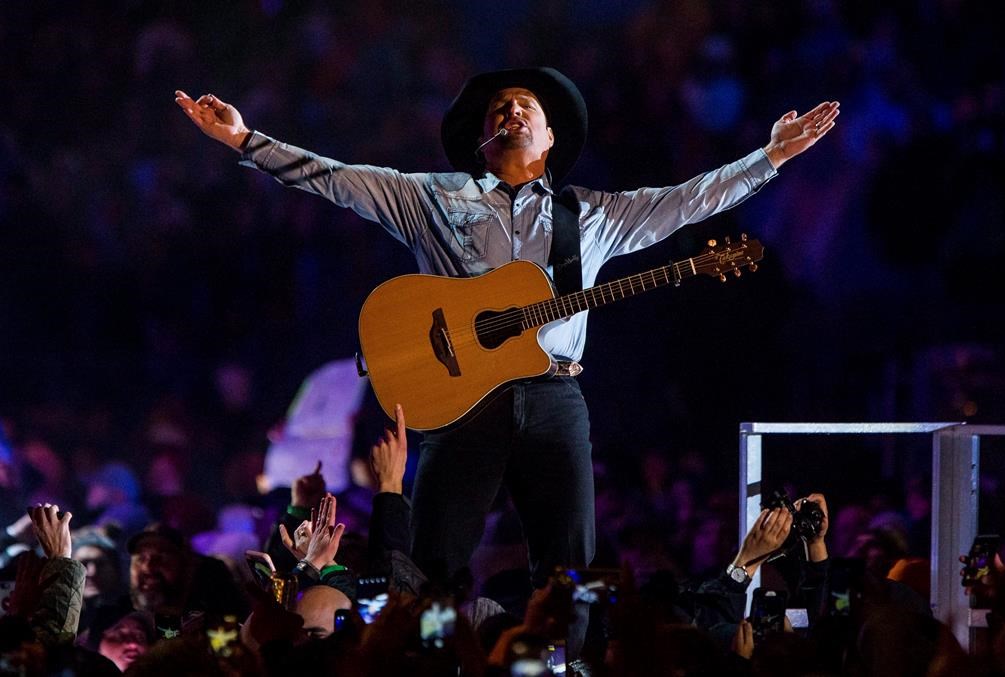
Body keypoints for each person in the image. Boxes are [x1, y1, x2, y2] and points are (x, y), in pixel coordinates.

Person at [175, 67, 838, 649]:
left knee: (571, 567)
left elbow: (688, 200)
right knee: (432, 566)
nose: (512, 110)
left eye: (526, 106)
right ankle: (429, 662)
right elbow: (336, 180)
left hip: (554, 395)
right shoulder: (431, 199)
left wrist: (770, 157)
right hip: (460, 400)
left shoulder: (592, 215)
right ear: (481, 137)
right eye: (500, 108)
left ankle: (568, 665)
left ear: (550, 139)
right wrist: (244, 139)